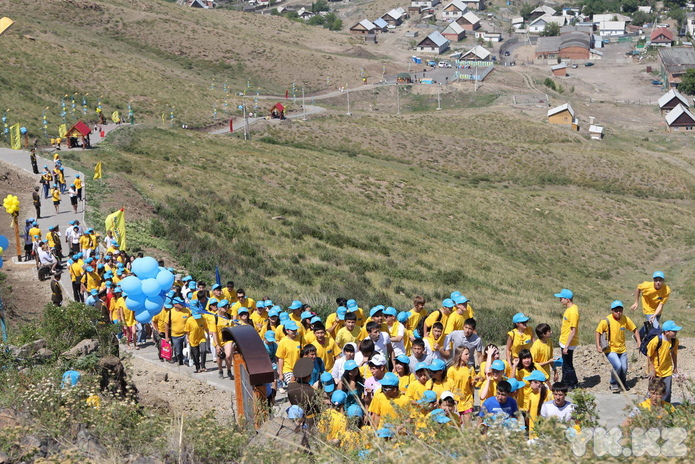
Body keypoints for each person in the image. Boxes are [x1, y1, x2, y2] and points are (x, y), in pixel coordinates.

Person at [595, 300, 641, 393]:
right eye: (616, 310)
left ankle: (622, 383)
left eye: (620, 310)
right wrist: (598, 345)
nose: (618, 312)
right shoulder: (606, 321)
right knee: (618, 366)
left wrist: (639, 342)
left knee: (624, 368)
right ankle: (613, 383)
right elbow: (598, 332)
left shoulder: (625, 319)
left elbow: (634, 329)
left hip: (622, 349)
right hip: (610, 349)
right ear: (612, 310)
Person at [646, 320, 681, 403]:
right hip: (655, 371)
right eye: (674, 331)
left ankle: (665, 409)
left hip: (667, 370)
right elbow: (649, 355)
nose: (676, 332)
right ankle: (648, 409)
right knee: (654, 391)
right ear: (666, 332)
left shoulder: (674, 341)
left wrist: (675, 367)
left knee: (667, 391)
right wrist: (652, 370)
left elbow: (674, 354)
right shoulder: (656, 341)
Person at [287, 357, 324, 428]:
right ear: (309, 376)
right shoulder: (312, 391)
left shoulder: (290, 386)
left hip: (294, 418)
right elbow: (318, 408)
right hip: (310, 421)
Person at [555, 288, 580, 390]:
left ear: (567, 299)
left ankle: (572, 383)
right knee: (566, 364)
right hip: (565, 341)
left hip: (568, 342)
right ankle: (565, 382)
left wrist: (567, 346)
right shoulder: (570, 309)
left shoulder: (573, 312)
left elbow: (573, 330)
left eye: (561, 298)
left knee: (567, 365)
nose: (560, 300)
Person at [166, 298, 192, 365]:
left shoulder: (187, 311)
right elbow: (166, 325)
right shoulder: (170, 312)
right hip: (175, 335)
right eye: (180, 303)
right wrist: (167, 337)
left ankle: (186, 360)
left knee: (187, 348)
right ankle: (180, 360)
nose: (182, 304)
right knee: (178, 351)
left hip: (185, 334)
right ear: (175, 304)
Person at [185, 305, 210, 373]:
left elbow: (206, 327)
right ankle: (197, 367)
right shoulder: (189, 320)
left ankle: (203, 365)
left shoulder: (203, 318)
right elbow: (187, 331)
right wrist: (187, 339)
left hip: (201, 337)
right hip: (193, 338)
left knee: (203, 351)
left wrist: (208, 335)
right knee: (196, 354)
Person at [277, 320, 302, 385]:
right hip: (288, 369)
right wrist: (280, 374)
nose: (294, 331)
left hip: (300, 368)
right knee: (292, 385)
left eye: (295, 330)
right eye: (292, 330)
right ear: (287, 330)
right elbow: (281, 358)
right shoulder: (283, 342)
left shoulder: (301, 339)